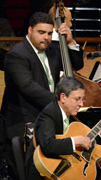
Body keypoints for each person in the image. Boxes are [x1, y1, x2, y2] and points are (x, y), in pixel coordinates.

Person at [2, 11, 84, 143]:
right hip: (23, 120)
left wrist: (70, 42)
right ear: (30, 30)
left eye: (50, 33)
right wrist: (60, 103)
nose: (46, 37)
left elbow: (77, 64)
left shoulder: (53, 50)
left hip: (47, 117)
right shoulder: (17, 54)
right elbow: (28, 86)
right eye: (41, 32)